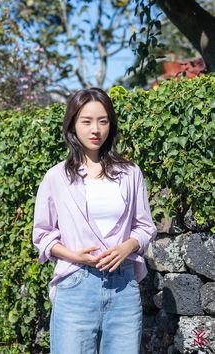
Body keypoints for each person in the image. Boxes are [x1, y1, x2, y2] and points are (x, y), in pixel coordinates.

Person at [32, 87, 157, 354]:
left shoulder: (130, 173)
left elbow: (146, 226)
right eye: (86, 121)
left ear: (110, 125)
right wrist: (77, 256)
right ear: (73, 125)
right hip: (76, 285)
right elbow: (42, 236)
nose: (95, 129)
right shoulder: (56, 177)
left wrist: (129, 246)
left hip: (123, 287)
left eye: (102, 121)